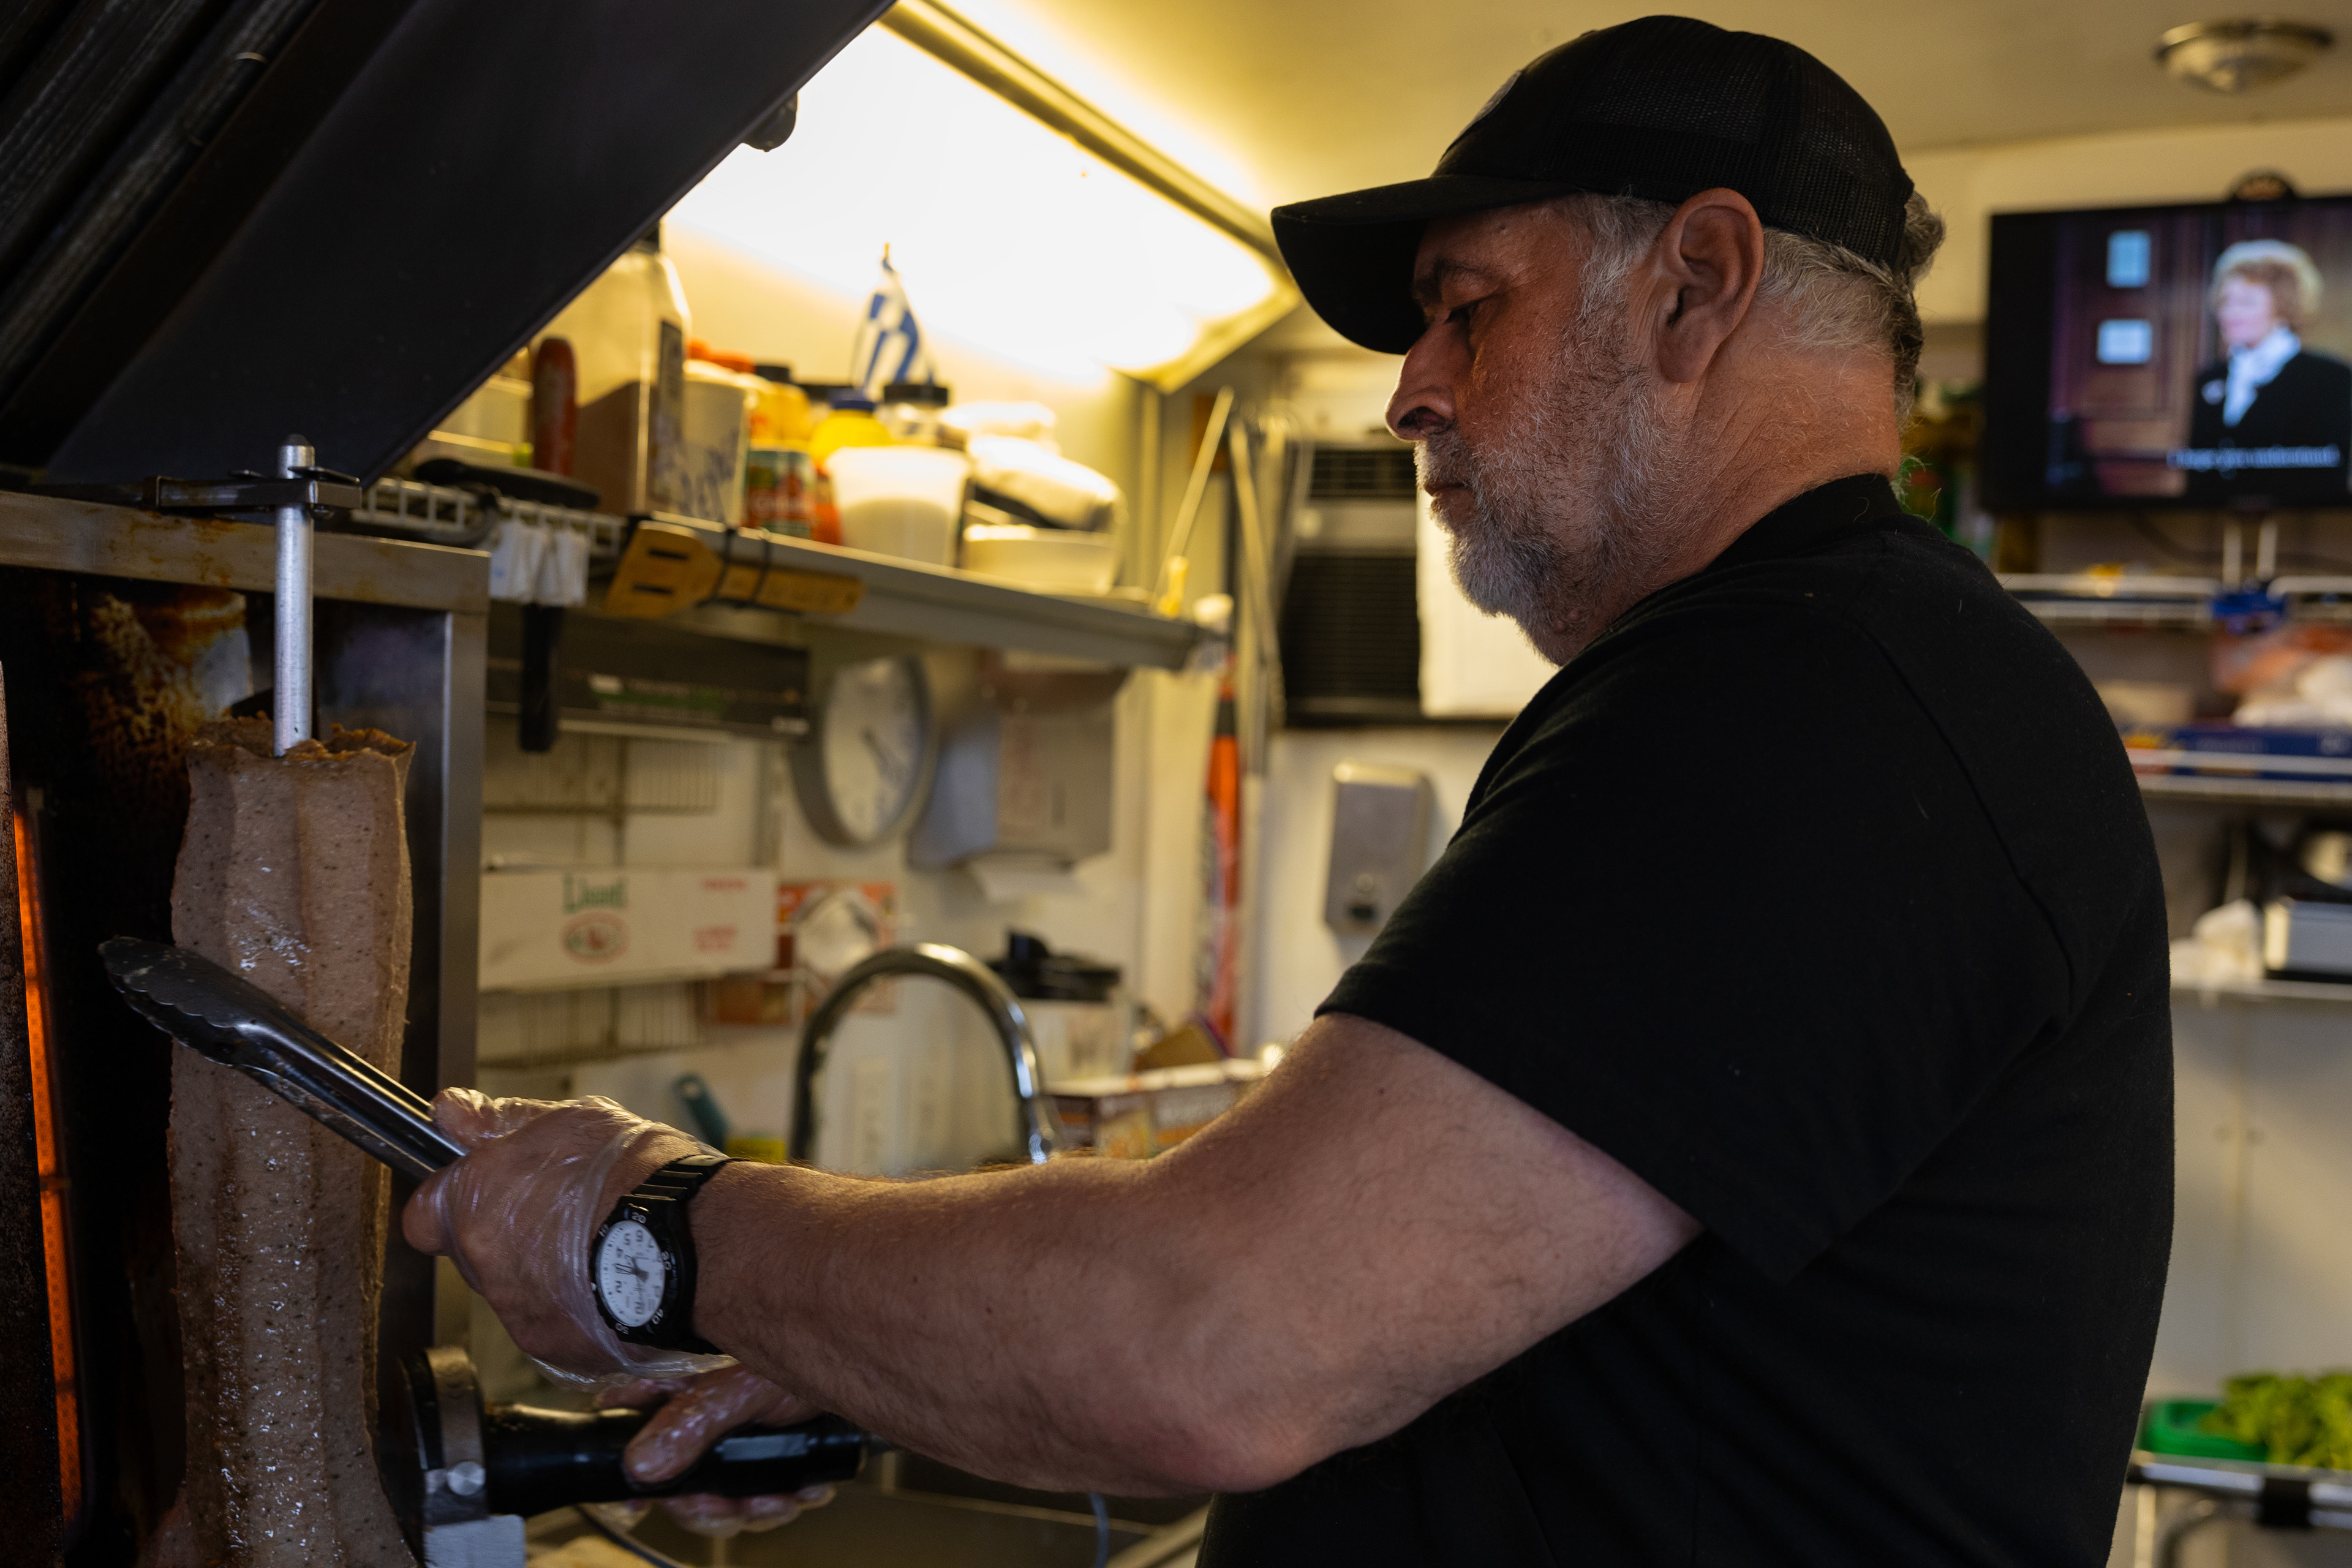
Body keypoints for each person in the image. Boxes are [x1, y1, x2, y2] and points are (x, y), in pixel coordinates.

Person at [407, 18, 2173, 1564]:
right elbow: (1442, 1310)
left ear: (1698, 287)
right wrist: (866, 1332)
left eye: (1466, 314)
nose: (1409, 393)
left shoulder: (1803, 705)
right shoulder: (1838, 683)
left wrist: (649, 1229)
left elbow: (1216, 1342)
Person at [2180, 238, 2352, 502]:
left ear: (2283, 308)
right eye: (2226, 301)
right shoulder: (2209, 378)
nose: (2230, 313)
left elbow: (2328, 475)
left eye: (2247, 302)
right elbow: (2197, 471)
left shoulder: (2330, 378)